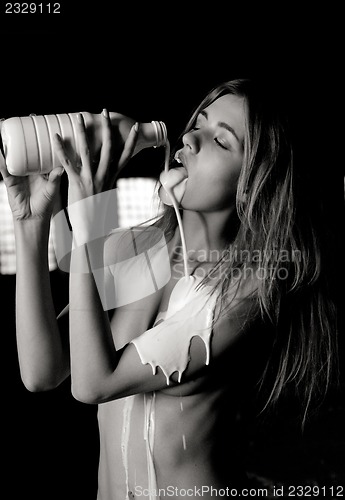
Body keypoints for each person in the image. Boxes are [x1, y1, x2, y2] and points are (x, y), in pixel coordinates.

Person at [0, 78, 339, 500]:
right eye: (198, 122)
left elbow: (93, 385)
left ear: (253, 183)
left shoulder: (247, 292)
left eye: (220, 140)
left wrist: (91, 215)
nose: (190, 138)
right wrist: (31, 225)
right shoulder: (131, 250)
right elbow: (42, 372)